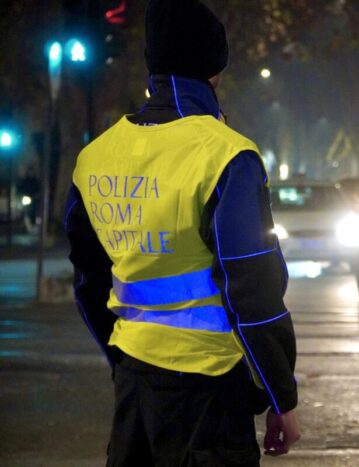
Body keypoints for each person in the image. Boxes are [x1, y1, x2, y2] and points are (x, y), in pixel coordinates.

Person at [64, 1, 300, 465]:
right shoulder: (227, 155)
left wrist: (125, 365)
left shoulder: (96, 156)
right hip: (209, 394)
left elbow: (88, 283)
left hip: (134, 389)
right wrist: (281, 397)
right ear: (216, 68)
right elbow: (253, 291)